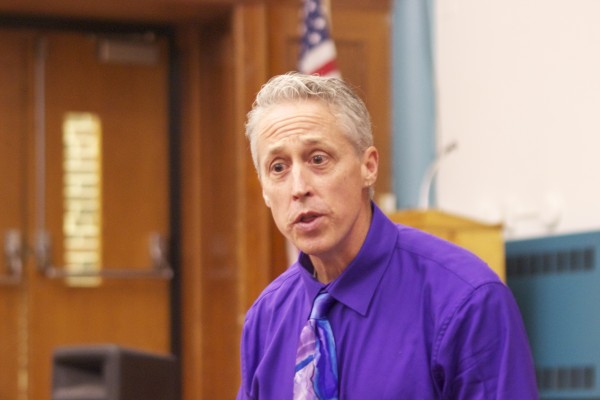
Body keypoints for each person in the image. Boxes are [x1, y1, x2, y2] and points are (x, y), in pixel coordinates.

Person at [237, 72, 538, 399]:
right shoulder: (265, 319)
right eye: (278, 168)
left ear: (368, 167)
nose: (299, 188)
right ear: (265, 191)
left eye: (318, 159)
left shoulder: (467, 300)